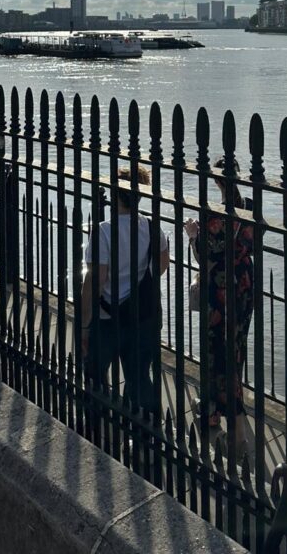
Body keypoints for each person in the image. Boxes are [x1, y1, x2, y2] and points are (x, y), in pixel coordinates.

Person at [81, 166, 169, 416]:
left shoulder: (104, 231)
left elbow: (97, 281)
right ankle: (145, 431)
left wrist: (84, 324)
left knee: (95, 372)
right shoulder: (153, 228)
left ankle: (97, 422)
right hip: (143, 316)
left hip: (108, 317)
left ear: (115, 195)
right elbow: (161, 267)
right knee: (139, 377)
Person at [184, 157, 254, 460]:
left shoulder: (213, 215)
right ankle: (223, 405)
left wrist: (193, 235)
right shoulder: (249, 207)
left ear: (216, 181)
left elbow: (206, 258)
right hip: (245, 285)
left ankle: (221, 419)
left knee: (215, 352)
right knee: (236, 348)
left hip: (220, 290)